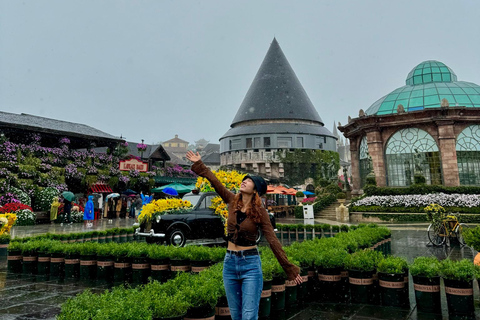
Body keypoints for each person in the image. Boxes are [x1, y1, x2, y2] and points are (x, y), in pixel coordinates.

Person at [186, 150, 302, 320]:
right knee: (236, 315)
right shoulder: (232, 200)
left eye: (249, 181)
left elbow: (272, 241)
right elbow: (215, 182)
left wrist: (289, 268)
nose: (244, 182)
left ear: (256, 189)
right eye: (244, 180)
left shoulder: (260, 212)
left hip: (251, 265)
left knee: (248, 316)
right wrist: (200, 164)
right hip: (230, 263)